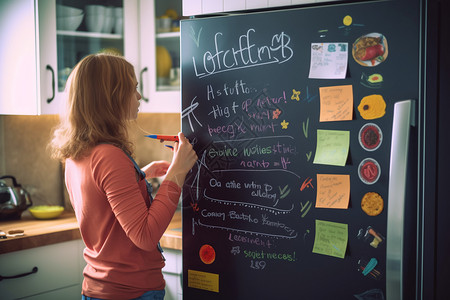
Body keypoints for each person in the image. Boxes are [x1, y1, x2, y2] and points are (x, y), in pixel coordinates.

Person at [49, 53, 197, 300]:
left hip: (100, 287)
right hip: (131, 292)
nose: (138, 96)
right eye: (133, 88)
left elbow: (102, 201)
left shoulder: (76, 154)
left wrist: (140, 175)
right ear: (110, 97)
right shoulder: (109, 156)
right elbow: (145, 236)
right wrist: (177, 172)